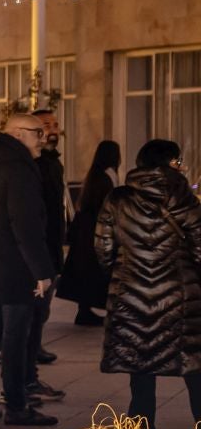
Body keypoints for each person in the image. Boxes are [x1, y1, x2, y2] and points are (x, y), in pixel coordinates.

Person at [95, 139, 201, 429]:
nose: (181, 167)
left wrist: (125, 272)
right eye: (178, 162)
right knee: (194, 370)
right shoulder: (185, 199)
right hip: (179, 299)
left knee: (140, 374)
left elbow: (103, 249)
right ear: (168, 164)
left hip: (132, 297)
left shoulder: (117, 199)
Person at [0, 113, 59, 426]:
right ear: (19, 134)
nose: (43, 138)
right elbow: (26, 224)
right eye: (37, 132)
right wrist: (42, 270)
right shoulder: (18, 167)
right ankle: (17, 406)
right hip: (14, 266)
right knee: (15, 338)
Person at [26, 106, 68, 391]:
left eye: (54, 124)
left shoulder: (52, 162)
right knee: (31, 311)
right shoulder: (33, 164)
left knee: (41, 311)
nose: (52, 130)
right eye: (45, 125)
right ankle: (25, 375)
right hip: (37, 251)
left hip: (51, 247)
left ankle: (33, 352)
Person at [60, 139, 123, 327]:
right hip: (95, 231)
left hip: (85, 231)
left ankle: (85, 310)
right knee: (95, 270)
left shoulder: (95, 175)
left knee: (86, 271)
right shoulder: (108, 176)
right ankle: (88, 311)